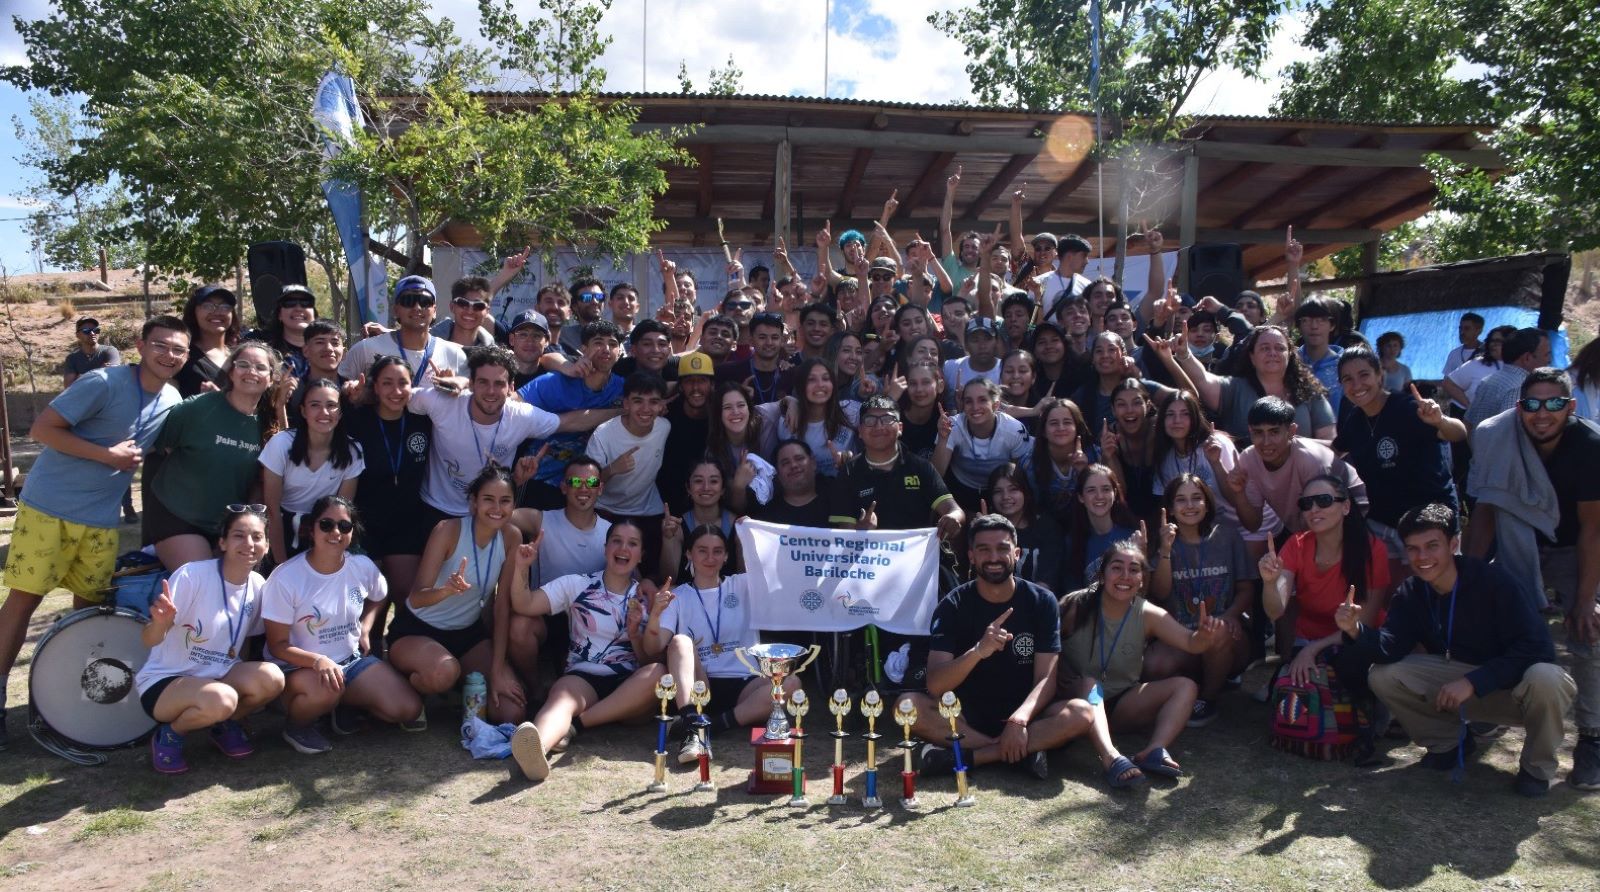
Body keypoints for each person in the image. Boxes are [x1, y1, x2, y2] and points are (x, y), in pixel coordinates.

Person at [0, 315, 188, 747]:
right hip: (51, 508)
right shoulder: (102, 382)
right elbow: (42, 429)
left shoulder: (173, 399)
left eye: (178, 349)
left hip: (100, 521)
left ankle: (70, 708)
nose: (169, 355)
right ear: (140, 345)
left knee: (87, 614)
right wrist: (107, 455)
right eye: (161, 345)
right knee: (24, 602)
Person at [1340, 503, 1576, 797]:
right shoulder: (1412, 591)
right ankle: (1448, 744)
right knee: (1384, 675)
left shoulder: (1495, 582)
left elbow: (1538, 648)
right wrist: (1355, 630)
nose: (1422, 557)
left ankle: (1536, 769)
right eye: (1413, 549)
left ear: (1454, 544)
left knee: (1548, 678)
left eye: (1432, 546)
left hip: (1513, 688)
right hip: (1454, 688)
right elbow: (1390, 649)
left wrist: (1474, 682)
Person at [1465, 368, 1600, 790]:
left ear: (1570, 407)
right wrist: (1469, 575)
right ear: (1519, 407)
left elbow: (1593, 530)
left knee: (1589, 632)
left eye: (1554, 404)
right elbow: (1485, 509)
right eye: (1533, 404)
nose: (1543, 414)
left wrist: (1585, 597)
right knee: (1502, 627)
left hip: (1574, 546)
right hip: (1517, 539)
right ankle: (1498, 712)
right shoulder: (1496, 436)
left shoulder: (1590, 446)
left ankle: (1593, 738)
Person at [906, 514, 1094, 780]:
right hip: (965, 715)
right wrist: (978, 652)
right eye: (984, 549)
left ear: (1016, 553)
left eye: (1002, 548)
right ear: (971, 556)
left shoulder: (1042, 601)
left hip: (1027, 715)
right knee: (908, 706)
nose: (993, 557)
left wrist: (1019, 720)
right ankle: (1015, 753)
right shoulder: (953, 604)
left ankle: (969, 758)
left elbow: (1046, 680)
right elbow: (936, 685)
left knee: (1082, 713)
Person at [506, 520, 673, 780]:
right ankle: (536, 749)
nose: (623, 548)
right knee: (561, 698)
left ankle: (575, 726)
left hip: (629, 685)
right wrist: (521, 568)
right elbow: (524, 604)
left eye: (632, 543)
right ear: (605, 548)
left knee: (659, 672)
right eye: (616, 541)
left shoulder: (649, 598)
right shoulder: (577, 584)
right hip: (583, 678)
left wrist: (635, 636)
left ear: (642, 555)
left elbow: (648, 659)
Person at [1058, 539, 1226, 786]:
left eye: (1134, 569)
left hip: (1122, 703)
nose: (1125, 575)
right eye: (1116, 567)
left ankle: (1155, 750)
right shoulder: (1076, 605)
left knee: (1186, 686)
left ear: (1141, 580)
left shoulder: (1146, 612)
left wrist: (1204, 637)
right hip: (1077, 698)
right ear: (1102, 574)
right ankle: (1111, 757)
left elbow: (1191, 643)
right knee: (1091, 685)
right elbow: (1045, 645)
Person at [262, 496, 422, 753]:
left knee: (407, 709)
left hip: (351, 661)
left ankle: (339, 707)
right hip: (298, 668)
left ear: (352, 532)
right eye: (326, 525)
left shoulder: (361, 566)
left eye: (344, 526)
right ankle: (297, 725)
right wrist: (317, 661)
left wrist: (366, 627)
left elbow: (380, 595)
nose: (335, 532)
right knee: (326, 691)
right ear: (311, 529)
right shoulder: (286, 577)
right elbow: (278, 645)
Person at [136, 505, 287, 773]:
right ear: (223, 542)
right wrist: (159, 623)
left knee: (272, 677)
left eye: (257, 536)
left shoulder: (258, 585)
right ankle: (170, 734)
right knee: (223, 698)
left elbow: (247, 639)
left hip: (218, 679)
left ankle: (222, 724)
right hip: (166, 683)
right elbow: (149, 640)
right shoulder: (192, 575)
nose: (249, 544)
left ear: (266, 544)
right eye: (239, 535)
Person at [387, 466, 535, 726]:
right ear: (474, 503)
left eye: (505, 501)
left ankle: (457, 684)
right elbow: (416, 598)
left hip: (468, 634)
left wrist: (498, 670)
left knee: (511, 713)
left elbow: (501, 607)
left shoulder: (512, 536)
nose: (496, 508)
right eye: (488, 499)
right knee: (444, 672)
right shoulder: (447, 530)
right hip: (418, 630)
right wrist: (446, 591)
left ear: (513, 505)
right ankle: (408, 684)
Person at [1258, 474, 1391, 754]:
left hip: (1356, 642)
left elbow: (1364, 623)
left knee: (1346, 665)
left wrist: (1313, 650)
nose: (1314, 509)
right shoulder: (1296, 544)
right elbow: (1276, 609)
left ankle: (1365, 715)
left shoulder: (1372, 549)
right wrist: (1270, 583)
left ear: (1345, 507)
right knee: (1301, 681)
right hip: (1308, 640)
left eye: (1324, 500)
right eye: (1307, 504)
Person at [412, 346, 612, 522]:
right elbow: (399, 397)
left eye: (499, 383)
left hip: (491, 515)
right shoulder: (442, 401)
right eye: (483, 382)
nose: (491, 391)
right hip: (436, 509)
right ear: (470, 383)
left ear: (511, 387)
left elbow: (572, 422)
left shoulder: (520, 416)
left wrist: (626, 412)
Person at [143, 340, 278, 571]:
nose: (251, 372)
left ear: (271, 378)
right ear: (231, 371)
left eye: (260, 367)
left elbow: (259, 479)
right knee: (205, 579)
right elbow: (157, 448)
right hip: (176, 516)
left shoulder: (267, 424)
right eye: (243, 364)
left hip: (226, 525)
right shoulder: (198, 408)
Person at [1334, 348, 1464, 578]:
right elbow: (1334, 450)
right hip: (1384, 525)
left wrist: (1440, 420)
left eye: (1364, 375)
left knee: (1440, 589)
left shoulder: (1408, 409)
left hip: (1429, 522)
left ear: (1379, 376)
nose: (1357, 385)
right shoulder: (1354, 421)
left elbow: (1459, 433)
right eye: (1348, 379)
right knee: (1397, 595)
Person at [661, 524, 785, 763]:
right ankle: (690, 721)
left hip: (745, 685)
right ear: (689, 554)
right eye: (702, 550)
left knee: (791, 683)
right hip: (701, 682)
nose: (710, 558)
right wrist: (653, 616)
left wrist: (750, 536)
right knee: (679, 642)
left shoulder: (744, 584)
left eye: (718, 551)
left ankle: (710, 726)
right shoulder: (678, 595)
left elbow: (774, 567)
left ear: (727, 555)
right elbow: (656, 645)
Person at [1146, 475, 1256, 725]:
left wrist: (1229, 616)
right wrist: (1164, 550)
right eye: (1181, 500)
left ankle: (1207, 698)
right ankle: (1196, 683)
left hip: (1226, 635)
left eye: (1197, 498)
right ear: (1171, 509)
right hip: (1183, 638)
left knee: (1216, 632)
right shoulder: (1163, 541)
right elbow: (1161, 593)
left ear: (1207, 503)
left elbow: (1246, 589)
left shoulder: (1228, 536)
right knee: (1153, 665)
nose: (1190, 506)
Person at [345, 355, 432, 644]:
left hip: (406, 522)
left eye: (403, 383)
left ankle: (400, 652)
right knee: (369, 599)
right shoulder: (356, 419)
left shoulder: (423, 420)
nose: (396, 391)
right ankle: (368, 658)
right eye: (387, 383)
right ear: (375, 388)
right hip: (364, 522)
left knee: (405, 598)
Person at [1160, 323, 1336, 442]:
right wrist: (1184, 353)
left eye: (1280, 348)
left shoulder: (1310, 392)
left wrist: (1295, 448)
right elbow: (1202, 378)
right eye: (1265, 348)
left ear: (1290, 355)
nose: (1272, 353)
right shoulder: (1234, 389)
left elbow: (1330, 443)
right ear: (1252, 357)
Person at [517, 321, 626, 509]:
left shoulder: (623, 388)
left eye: (613, 344)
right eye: (598, 342)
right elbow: (512, 406)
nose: (606, 349)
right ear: (584, 349)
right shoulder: (554, 382)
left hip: (582, 486)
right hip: (536, 476)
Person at [1220, 396, 1366, 536]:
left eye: (1274, 432)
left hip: (1359, 519)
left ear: (1291, 431)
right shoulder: (1248, 458)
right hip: (1312, 531)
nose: (1266, 442)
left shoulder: (1311, 460)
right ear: (1250, 432)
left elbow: (1325, 524)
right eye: (1258, 433)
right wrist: (1239, 493)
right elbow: (1253, 525)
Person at [259, 379, 364, 566]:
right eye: (315, 405)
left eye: (331, 405)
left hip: (326, 529)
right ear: (302, 411)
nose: (324, 412)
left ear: (340, 412)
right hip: (280, 528)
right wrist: (280, 565)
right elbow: (272, 510)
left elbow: (341, 512)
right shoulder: (281, 444)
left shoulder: (353, 451)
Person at [587, 372, 671, 570]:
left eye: (653, 402)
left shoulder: (664, 427)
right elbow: (586, 483)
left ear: (661, 406)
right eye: (638, 401)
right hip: (606, 510)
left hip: (648, 511)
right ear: (625, 404)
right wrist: (612, 469)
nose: (645, 409)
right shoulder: (603, 434)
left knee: (652, 572)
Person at [340, 276, 470, 387]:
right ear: (396, 310)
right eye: (409, 301)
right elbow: (338, 389)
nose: (417, 308)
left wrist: (454, 389)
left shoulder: (454, 354)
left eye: (425, 301)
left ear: (434, 310)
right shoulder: (366, 349)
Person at [934, 378, 1032, 514]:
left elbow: (1020, 477)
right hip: (960, 487)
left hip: (1000, 490)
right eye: (968, 401)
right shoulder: (951, 426)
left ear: (996, 405)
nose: (975, 407)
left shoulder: (1014, 430)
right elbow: (936, 474)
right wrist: (943, 438)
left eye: (982, 400)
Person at [759, 358, 860, 477]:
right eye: (811, 380)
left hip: (845, 488)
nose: (820, 385)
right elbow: (755, 410)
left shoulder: (850, 410)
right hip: (804, 491)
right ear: (801, 386)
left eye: (826, 379)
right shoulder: (786, 421)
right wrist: (789, 401)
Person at [982, 463, 1065, 593]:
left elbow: (1048, 580)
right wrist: (984, 534)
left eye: (1013, 489)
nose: (1005, 497)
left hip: (1038, 601)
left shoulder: (1047, 528)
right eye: (998, 491)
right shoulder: (985, 532)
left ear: (1025, 492)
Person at [1065, 464, 1142, 591]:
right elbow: (1073, 592)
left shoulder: (1132, 536)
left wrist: (1141, 552)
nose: (1099, 496)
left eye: (1106, 489)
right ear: (1081, 497)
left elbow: (1142, 589)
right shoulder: (1072, 542)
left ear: (1115, 493)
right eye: (1091, 490)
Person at [1464, 327, 1552, 431]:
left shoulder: (1489, 380)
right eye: (1546, 355)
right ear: (1527, 358)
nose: (1549, 360)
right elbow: (1511, 433)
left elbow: (1468, 424)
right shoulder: (1519, 388)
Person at [174, 284, 240, 397]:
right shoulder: (181, 357)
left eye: (225, 306)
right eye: (207, 306)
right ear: (193, 312)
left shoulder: (241, 355)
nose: (217, 312)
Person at [754, 439, 830, 527]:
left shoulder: (838, 498)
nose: (793, 465)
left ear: (813, 463)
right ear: (777, 473)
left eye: (799, 459)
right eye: (785, 463)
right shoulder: (766, 520)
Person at [1294, 298, 1345, 414]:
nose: (1314, 326)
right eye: (1306, 320)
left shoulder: (1345, 365)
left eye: (1321, 320)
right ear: (1299, 326)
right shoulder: (1289, 361)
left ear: (1332, 325)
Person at [433, 276, 499, 348]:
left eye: (478, 306)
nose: (470, 311)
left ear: (487, 311)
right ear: (452, 307)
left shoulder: (494, 356)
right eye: (463, 303)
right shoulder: (427, 347)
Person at [62, 316, 121, 388]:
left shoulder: (110, 351)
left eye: (96, 330)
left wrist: (80, 377)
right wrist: (99, 371)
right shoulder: (72, 358)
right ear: (77, 335)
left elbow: (113, 377)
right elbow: (69, 387)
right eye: (86, 331)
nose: (92, 333)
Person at [1442, 312, 1485, 378]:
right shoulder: (1454, 354)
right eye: (1460, 328)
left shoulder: (1488, 352)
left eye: (1467, 328)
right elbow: (1447, 380)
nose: (1462, 332)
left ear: (1478, 331)